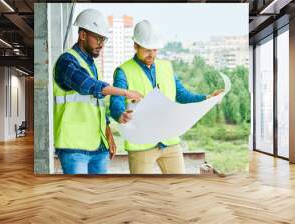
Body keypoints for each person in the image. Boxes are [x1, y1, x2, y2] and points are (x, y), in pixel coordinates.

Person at [110, 20, 223, 174]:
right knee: (141, 191)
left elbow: (182, 95)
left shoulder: (166, 67)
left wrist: (208, 97)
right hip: (142, 144)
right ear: (136, 45)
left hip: (169, 142)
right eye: (147, 49)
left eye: (155, 49)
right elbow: (116, 102)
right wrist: (119, 114)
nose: (152, 54)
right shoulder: (124, 71)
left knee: (178, 187)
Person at [53, 9, 142, 174]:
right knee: (79, 197)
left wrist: (108, 135)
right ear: (83, 35)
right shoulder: (67, 61)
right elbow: (88, 85)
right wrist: (125, 92)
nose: (101, 44)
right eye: (98, 38)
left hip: (98, 146)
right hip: (74, 147)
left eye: (104, 39)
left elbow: (98, 106)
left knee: (99, 195)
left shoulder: (92, 65)